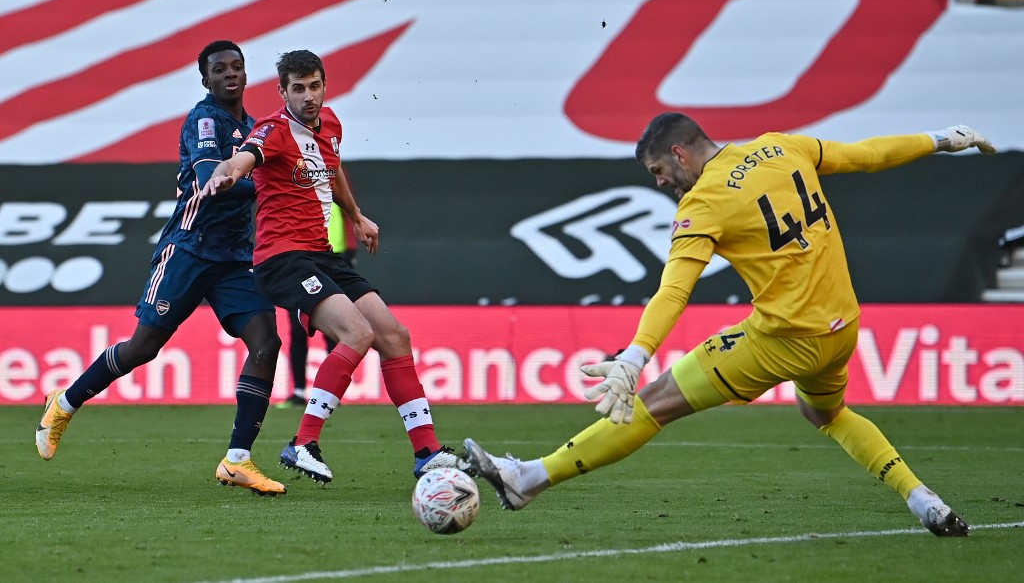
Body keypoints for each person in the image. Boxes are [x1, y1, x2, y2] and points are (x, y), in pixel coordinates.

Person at [465, 115, 997, 537]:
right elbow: (865, 156)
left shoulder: (703, 203)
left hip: (783, 340)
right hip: (842, 329)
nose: (659, 184)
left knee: (653, 401)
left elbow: (674, 288)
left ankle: (528, 479)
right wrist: (940, 139)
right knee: (826, 414)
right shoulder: (780, 146)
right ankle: (919, 495)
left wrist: (634, 355)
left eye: (658, 171)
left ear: (679, 153)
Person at [200, 49, 469, 485]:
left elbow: (334, 169)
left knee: (395, 337)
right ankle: (303, 443)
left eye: (315, 86)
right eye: (299, 89)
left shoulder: (331, 126)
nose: (309, 96)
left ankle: (427, 452)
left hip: (321, 253)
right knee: (358, 334)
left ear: (325, 84)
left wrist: (357, 216)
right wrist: (226, 174)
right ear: (283, 91)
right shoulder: (274, 130)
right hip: (282, 259)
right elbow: (243, 159)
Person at [35, 40, 287, 496]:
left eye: (237, 67)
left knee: (266, 341)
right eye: (219, 69)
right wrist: (264, 185)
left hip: (234, 259)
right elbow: (215, 178)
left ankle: (237, 459)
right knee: (143, 348)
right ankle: (65, 402)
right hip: (189, 248)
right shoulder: (204, 119)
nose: (230, 74)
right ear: (205, 79)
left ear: (247, 74)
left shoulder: (254, 129)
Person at [277, 202, 356, 408]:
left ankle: (330, 393)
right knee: (297, 328)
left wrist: (350, 250)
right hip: (301, 259)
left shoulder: (333, 173)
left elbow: (348, 210)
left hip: (333, 259)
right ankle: (298, 391)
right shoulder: (293, 179)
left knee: (332, 330)